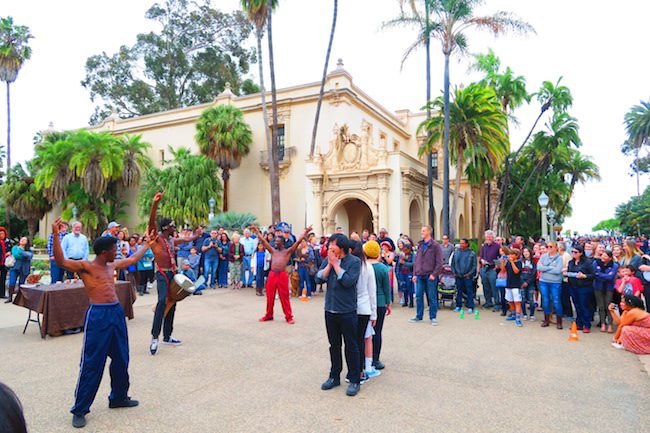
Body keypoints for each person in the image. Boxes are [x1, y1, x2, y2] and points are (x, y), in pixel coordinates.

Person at [52, 217, 153, 429]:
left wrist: (147, 245)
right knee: (92, 363)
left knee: (121, 358)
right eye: (114, 248)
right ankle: (80, 409)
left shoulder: (112, 264)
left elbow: (132, 259)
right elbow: (61, 261)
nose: (117, 251)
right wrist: (55, 234)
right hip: (98, 316)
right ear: (104, 251)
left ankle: (118, 397)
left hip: (116, 313)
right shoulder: (86, 266)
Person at [147, 192, 202, 355]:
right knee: (163, 301)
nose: (174, 228)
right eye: (172, 226)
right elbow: (151, 222)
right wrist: (155, 203)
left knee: (174, 302)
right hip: (162, 274)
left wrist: (196, 236)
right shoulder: (156, 238)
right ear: (165, 227)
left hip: (173, 274)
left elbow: (186, 240)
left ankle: (167, 335)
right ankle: (154, 337)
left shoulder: (171, 240)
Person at [316, 233, 362, 397]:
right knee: (333, 345)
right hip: (330, 309)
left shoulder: (354, 262)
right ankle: (334, 376)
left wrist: (336, 265)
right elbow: (318, 279)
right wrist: (329, 265)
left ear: (341, 247)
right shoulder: (328, 259)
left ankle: (355, 379)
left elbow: (349, 281)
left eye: (332, 245)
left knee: (351, 346)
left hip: (347, 311)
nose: (329, 248)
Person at [252, 225, 312, 324]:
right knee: (270, 296)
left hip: (282, 275)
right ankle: (269, 315)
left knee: (284, 296)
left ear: (282, 243)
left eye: (277, 242)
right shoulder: (273, 251)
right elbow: (264, 241)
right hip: (272, 274)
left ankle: (289, 316)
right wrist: (256, 232)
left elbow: (297, 242)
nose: (275, 243)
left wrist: (306, 232)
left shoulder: (287, 252)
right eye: (275, 241)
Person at [349, 241, 378, 382]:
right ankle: (359, 371)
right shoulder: (367, 267)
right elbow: (372, 292)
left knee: (352, 342)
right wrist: (374, 313)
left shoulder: (349, 266)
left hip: (350, 308)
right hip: (364, 308)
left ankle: (353, 371)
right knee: (360, 341)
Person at [364, 240, 392, 371]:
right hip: (380, 303)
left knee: (364, 333)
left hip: (365, 303)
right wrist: (388, 303)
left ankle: (365, 358)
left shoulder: (362, 266)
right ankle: (375, 359)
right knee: (377, 332)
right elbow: (387, 288)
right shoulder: (382, 268)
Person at [409, 226, 443, 326]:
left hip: (430, 275)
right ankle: (419, 316)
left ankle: (433, 317)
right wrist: (415, 273)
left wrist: (434, 274)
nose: (421, 232)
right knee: (419, 296)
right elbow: (417, 261)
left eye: (423, 231)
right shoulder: (420, 244)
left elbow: (439, 262)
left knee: (432, 297)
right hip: (419, 275)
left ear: (429, 232)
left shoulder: (435, 245)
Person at [566, 245, 595, 333]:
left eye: (575, 252)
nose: (573, 254)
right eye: (572, 252)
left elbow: (593, 274)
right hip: (573, 286)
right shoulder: (571, 262)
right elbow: (569, 271)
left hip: (584, 287)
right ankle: (579, 323)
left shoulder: (587, 262)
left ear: (581, 253)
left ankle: (587, 324)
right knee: (577, 306)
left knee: (584, 306)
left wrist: (584, 276)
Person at [537, 241, 564, 329]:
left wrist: (545, 268)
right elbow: (539, 267)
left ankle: (559, 321)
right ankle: (546, 319)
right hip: (543, 281)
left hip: (555, 282)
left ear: (556, 248)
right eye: (547, 247)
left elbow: (558, 271)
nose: (549, 248)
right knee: (545, 300)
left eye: (551, 247)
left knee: (556, 301)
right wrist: (551, 267)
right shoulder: (543, 256)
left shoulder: (559, 258)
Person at [594, 250, 619, 333]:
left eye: (605, 256)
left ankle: (610, 324)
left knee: (609, 307)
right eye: (602, 255)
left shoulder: (614, 265)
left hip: (609, 288)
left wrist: (600, 275)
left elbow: (610, 277)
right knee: (601, 306)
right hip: (598, 287)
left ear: (610, 258)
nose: (603, 257)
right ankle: (603, 323)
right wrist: (603, 275)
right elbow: (595, 274)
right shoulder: (596, 263)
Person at [451, 238, 477, 313]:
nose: (461, 245)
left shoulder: (471, 253)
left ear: (466, 244)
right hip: (458, 275)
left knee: (469, 291)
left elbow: (474, 265)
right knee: (458, 291)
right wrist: (454, 272)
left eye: (463, 243)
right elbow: (452, 264)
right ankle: (458, 306)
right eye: (460, 243)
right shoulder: (456, 253)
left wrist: (469, 274)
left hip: (467, 276)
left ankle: (470, 306)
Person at [501, 248, 524, 327]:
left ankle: (518, 317)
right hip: (509, 284)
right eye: (509, 254)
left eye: (511, 254)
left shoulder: (519, 263)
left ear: (516, 256)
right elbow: (503, 271)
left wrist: (512, 262)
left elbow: (516, 271)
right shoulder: (508, 263)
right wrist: (503, 263)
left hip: (516, 285)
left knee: (517, 301)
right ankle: (513, 314)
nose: (510, 256)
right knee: (510, 300)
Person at [6, 237, 33, 304]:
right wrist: (24, 254)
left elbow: (30, 256)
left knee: (22, 283)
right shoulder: (15, 247)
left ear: (27, 242)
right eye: (21, 239)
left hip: (24, 268)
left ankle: (19, 298)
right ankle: (10, 297)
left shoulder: (29, 250)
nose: (22, 240)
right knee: (12, 282)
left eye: (24, 240)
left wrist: (22, 253)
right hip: (15, 267)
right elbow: (16, 255)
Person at [479, 230, 501, 309]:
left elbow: (500, 258)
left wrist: (497, 266)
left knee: (494, 287)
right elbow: (481, 256)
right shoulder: (484, 246)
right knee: (485, 286)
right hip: (484, 268)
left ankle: (497, 303)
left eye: (490, 236)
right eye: (487, 236)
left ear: (493, 237)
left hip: (492, 269)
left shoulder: (497, 246)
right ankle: (488, 302)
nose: (488, 238)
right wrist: (481, 260)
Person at [520, 247, 537, 321]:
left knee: (531, 299)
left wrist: (528, 282)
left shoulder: (533, 262)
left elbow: (534, 274)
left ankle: (532, 314)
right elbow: (519, 273)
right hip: (522, 282)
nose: (525, 253)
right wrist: (522, 282)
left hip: (530, 283)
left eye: (527, 251)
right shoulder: (520, 261)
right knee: (522, 299)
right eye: (524, 252)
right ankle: (524, 314)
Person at [396, 242, 415, 308]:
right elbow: (398, 263)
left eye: (406, 250)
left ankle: (411, 302)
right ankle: (406, 301)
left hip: (409, 272)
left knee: (410, 287)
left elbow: (413, 264)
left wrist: (404, 262)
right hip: (402, 272)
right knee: (404, 287)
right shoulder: (402, 255)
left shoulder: (412, 255)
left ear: (409, 249)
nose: (405, 251)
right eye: (404, 250)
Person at [0, 227, 13, 299]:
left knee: (3, 278)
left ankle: (2, 294)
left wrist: (10, 252)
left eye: (3, 233)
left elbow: (12, 249)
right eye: (0, 233)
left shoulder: (8, 242)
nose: (1, 235)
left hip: (5, 262)